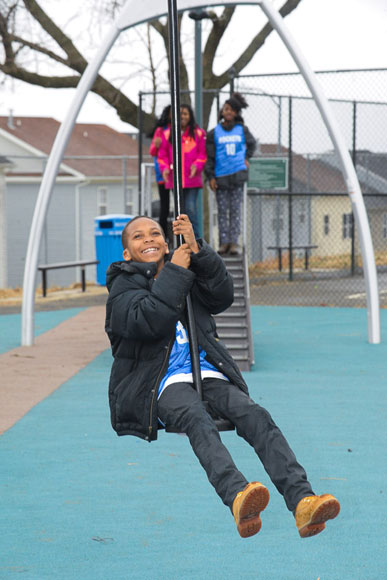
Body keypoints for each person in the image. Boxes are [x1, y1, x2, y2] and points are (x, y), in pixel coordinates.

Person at [105, 213, 340, 539]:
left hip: (204, 369)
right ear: (127, 253)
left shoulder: (184, 269)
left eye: (155, 233)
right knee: (195, 417)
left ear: (166, 240)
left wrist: (198, 250)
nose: (149, 239)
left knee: (253, 413)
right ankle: (238, 496)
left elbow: (221, 295)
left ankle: (302, 501)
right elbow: (148, 320)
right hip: (159, 381)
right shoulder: (122, 286)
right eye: (138, 237)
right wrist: (175, 270)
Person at [205, 92, 256, 255]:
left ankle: (234, 242)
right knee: (222, 210)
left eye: (231, 110)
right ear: (221, 111)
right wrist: (211, 176)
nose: (228, 112)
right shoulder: (214, 133)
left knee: (235, 210)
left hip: (237, 174)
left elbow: (252, 144)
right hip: (221, 176)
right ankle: (223, 242)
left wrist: (246, 157)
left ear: (235, 113)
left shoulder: (242, 129)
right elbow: (210, 156)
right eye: (225, 109)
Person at [157, 104, 206, 238]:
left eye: (185, 113)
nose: (182, 116)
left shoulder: (198, 133)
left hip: (192, 180)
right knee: (179, 212)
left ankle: (195, 240)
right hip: (175, 180)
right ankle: (181, 240)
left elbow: (202, 154)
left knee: (190, 209)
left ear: (190, 116)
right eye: (180, 114)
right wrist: (165, 169)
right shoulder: (167, 134)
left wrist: (196, 165)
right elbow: (162, 156)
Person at [149, 105, 172, 239]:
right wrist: (156, 145)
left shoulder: (181, 130)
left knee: (180, 206)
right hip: (163, 173)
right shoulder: (161, 130)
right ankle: (164, 237)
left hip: (176, 174)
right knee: (165, 206)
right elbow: (153, 151)